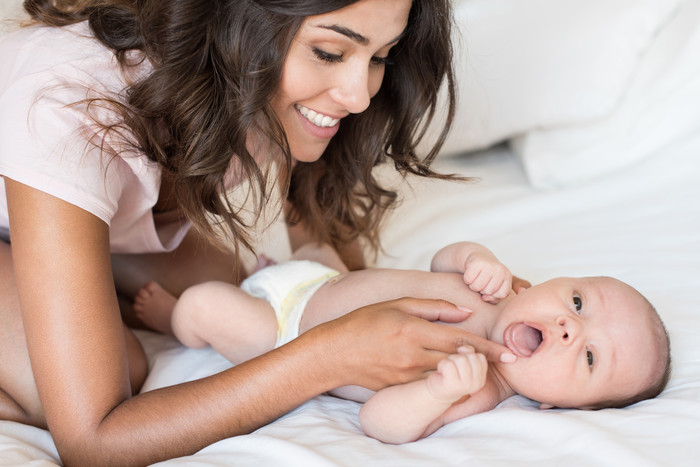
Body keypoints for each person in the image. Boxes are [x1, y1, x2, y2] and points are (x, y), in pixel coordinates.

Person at [0, 1, 521, 465]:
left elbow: (325, 248)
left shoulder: (250, 79)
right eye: (330, 51)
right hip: (43, 167)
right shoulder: (67, 107)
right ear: (239, 21)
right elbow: (93, 444)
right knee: (105, 380)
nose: (359, 95)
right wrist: (327, 353)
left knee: (225, 285)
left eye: (381, 56)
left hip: (74, 209)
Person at [134, 241, 672, 444]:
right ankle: (291, 267)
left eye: (589, 356)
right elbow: (440, 262)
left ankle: (171, 320)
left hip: (286, 331)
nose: (568, 328)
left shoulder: (476, 386)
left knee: (206, 303)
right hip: (321, 280)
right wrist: (471, 258)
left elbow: (379, 421)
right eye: (578, 303)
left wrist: (434, 396)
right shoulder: (502, 287)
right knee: (321, 245)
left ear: (556, 404)